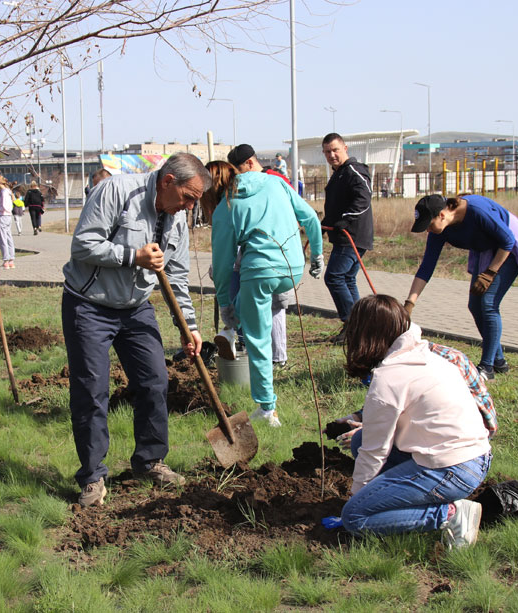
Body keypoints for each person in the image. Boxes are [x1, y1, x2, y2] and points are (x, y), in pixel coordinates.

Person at [62, 152, 208, 507]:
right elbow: (83, 244)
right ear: (167, 181)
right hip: (90, 304)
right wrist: (133, 257)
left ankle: (149, 461)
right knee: (92, 391)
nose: (188, 208)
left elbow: (176, 276)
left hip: (135, 307)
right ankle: (92, 476)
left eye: (195, 202)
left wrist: (188, 326)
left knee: (154, 380)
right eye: (188, 198)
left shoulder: (176, 218)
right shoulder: (116, 191)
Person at [338, 295, 492, 549]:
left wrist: (357, 496)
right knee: (360, 439)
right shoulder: (429, 356)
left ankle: (451, 514)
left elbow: (375, 452)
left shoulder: (389, 378)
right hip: (476, 457)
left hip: (451, 469)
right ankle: (409, 498)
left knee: (354, 517)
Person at [208, 159, 323, 427]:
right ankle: (232, 327)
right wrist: (317, 253)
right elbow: (310, 217)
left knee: (258, 337)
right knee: (247, 301)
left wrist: (224, 305)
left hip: (260, 271)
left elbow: (223, 267)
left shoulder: (225, 207)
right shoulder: (274, 181)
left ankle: (266, 409)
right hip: (293, 266)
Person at [405, 194, 518, 380]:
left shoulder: (477, 211)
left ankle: (487, 367)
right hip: (487, 249)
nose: (428, 230)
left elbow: (508, 240)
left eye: (429, 225)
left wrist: (490, 273)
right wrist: (409, 304)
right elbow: (427, 267)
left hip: (508, 249)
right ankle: (499, 361)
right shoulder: (439, 231)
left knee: (488, 304)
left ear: (441, 215)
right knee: (474, 305)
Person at [320, 133, 374, 339]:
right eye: (327, 152)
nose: (332, 155)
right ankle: (359, 326)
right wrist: (326, 223)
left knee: (334, 277)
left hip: (352, 235)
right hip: (343, 234)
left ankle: (352, 325)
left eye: (335, 150)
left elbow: (363, 198)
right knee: (347, 278)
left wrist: (346, 219)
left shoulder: (354, 170)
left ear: (345, 148)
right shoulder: (339, 173)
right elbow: (338, 204)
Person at [0, 175, 15, 269]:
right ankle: (11, 260)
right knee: (8, 237)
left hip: (3, 216)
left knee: (2, 238)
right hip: (7, 216)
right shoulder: (7, 191)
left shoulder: (4, 192)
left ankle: (6, 260)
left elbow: (5, 206)